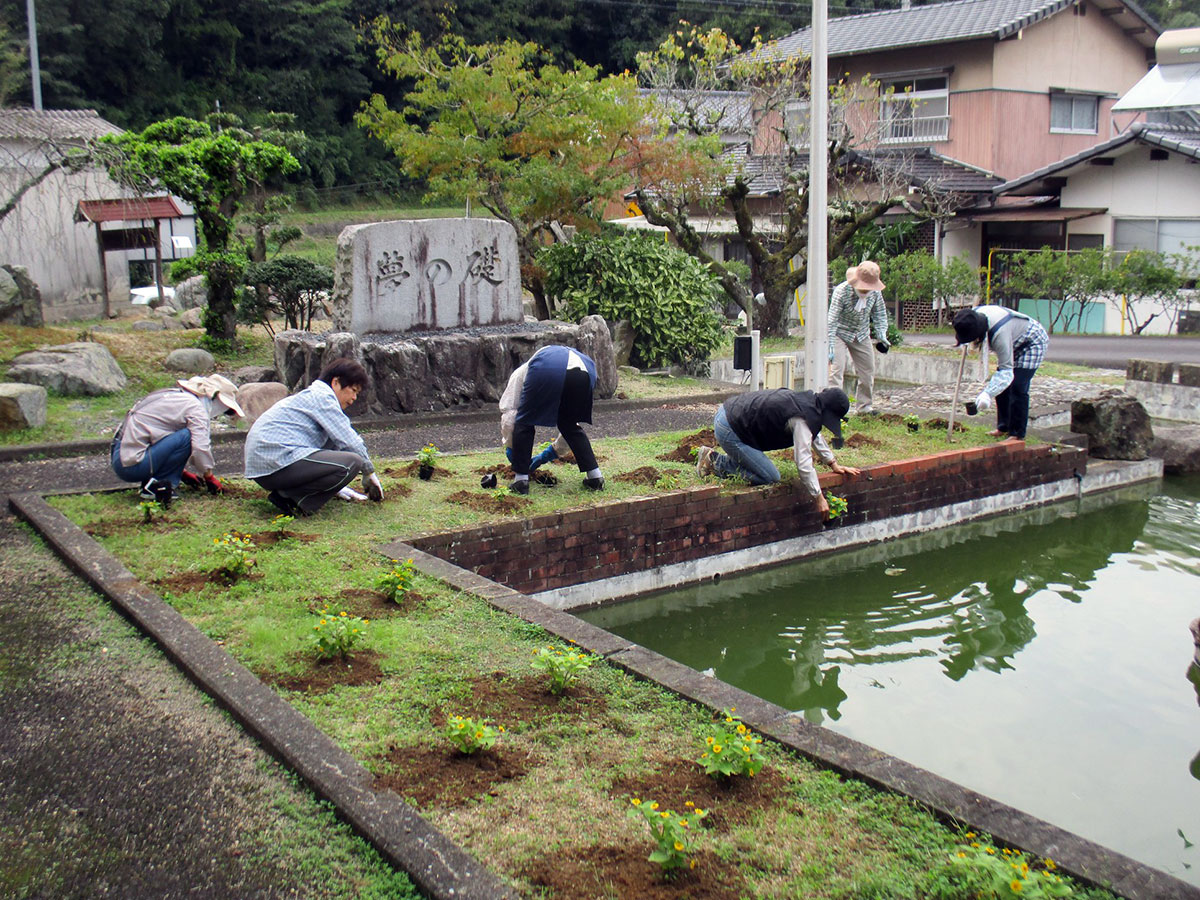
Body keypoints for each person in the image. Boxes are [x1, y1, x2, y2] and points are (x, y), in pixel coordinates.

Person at [243, 359, 383, 516]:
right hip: (275, 461)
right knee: (353, 461)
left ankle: (292, 494)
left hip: (269, 464)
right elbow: (349, 440)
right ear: (336, 382)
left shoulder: (311, 397)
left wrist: (336, 487)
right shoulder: (323, 398)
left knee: (337, 446)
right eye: (353, 390)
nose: (354, 397)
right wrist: (369, 473)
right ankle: (292, 500)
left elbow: (334, 444)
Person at [695, 387, 861, 519]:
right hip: (730, 429)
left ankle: (719, 459)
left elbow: (814, 434)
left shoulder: (807, 402)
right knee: (770, 476)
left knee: (765, 471)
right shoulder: (802, 418)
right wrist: (818, 498)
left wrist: (833, 463)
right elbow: (803, 464)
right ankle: (714, 462)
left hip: (727, 412)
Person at [111, 374, 244, 506]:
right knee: (188, 436)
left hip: (122, 458)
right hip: (132, 465)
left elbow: (161, 438)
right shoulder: (195, 407)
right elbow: (200, 447)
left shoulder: (175, 396)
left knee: (184, 435)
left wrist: (181, 472)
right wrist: (208, 476)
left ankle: (152, 483)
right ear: (216, 399)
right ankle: (157, 485)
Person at [504, 345, 604, 494]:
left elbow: (509, 416)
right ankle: (595, 478)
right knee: (569, 423)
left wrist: (512, 448)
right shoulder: (535, 365)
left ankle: (520, 481)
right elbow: (571, 425)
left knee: (524, 421)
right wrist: (554, 452)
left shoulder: (518, 375)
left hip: (549, 370)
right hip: (586, 370)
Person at [952, 305, 1050, 441]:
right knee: (1002, 388)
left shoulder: (1000, 334)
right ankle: (1003, 427)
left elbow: (1006, 372)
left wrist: (987, 394)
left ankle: (1017, 433)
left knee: (1017, 386)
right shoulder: (970, 317)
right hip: (1013, 340)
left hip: (1031, 343)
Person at [828, 261, 891, 415]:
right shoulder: (842, 292)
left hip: (861, 333)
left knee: (868, 370)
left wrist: (882, 335)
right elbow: (832, 320)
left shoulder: (875, 293)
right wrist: (829, 345)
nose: (865, 290)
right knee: (836, 370)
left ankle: (864, 407)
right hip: (839, 333)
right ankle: (834, 409)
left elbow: (880, 314)